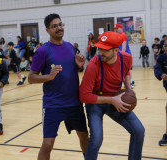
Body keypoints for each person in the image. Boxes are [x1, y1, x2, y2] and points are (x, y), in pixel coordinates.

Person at [28, 13, 89, 160]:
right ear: (48, 30)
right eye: (54, 26)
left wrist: (79, 67)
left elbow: (70, 71)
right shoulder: (43, 51)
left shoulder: (69, 46)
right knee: (48, 143)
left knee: (84, 137)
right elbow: (30, 78)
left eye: (60, 24)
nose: (59, 28)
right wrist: (48, 76)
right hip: (53, 104)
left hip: (74, 102)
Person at [80, 31, 144, 160]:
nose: (101, 52)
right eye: (99, 48)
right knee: (97, 138)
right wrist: (111, 100)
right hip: (95, 103)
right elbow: (83, 96)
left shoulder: (127, 58)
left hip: (117, 99)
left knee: (139, 131)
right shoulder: (93, 64)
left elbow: (126, 71)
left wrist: (128, 88)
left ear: (116, 50)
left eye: (105, 50)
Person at [113, 24, 135, 88]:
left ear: (121, 28)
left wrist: (121, 55)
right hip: (124, 54)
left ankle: (130, 82)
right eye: (115, 29)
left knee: (125, 69)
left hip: (125, 55)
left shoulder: (123, 35)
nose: (116, 30)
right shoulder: (119, 35)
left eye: (117, 28)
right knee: (125, 69)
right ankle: (131, 81)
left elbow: (124, 46)